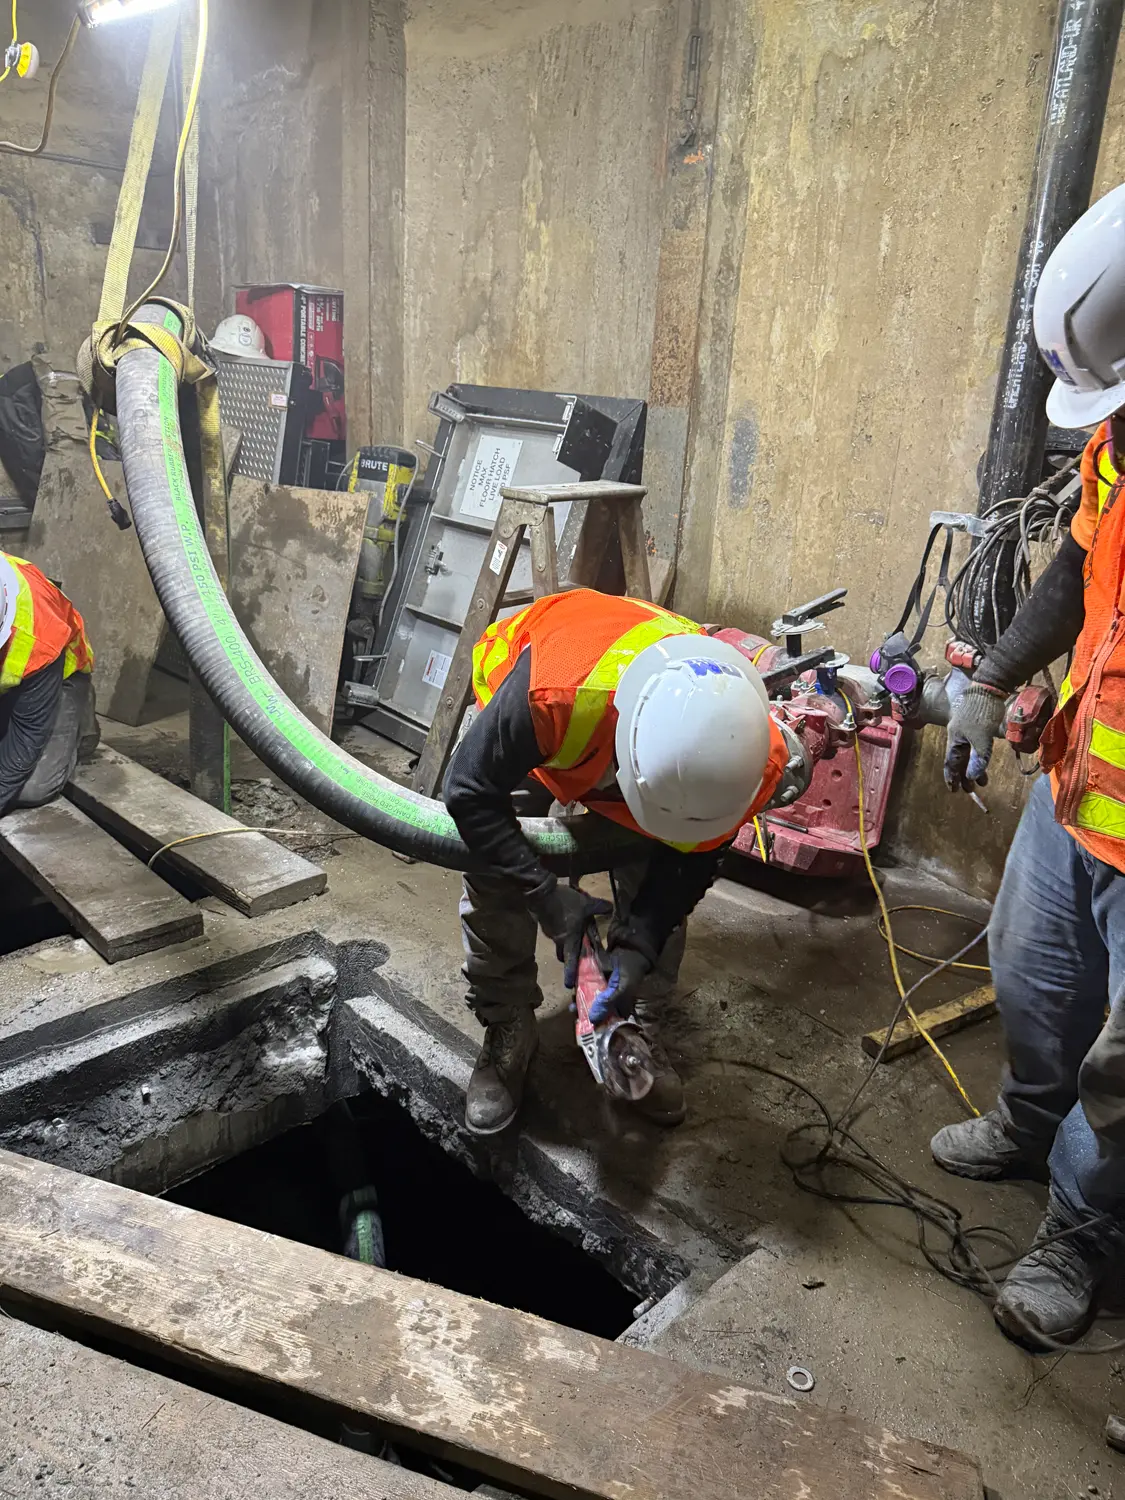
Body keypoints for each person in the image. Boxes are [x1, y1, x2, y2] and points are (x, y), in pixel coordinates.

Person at [933, 181, 1125, 1349]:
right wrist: (998, 678)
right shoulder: (1117, 448)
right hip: (1079, 789)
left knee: (1124, 1071)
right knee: (1034, 973)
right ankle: (1026, 1124)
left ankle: (1082, 1232)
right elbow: (1077, 572)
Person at [443, 586, 790, 1136]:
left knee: (654, 868)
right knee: (495, 869)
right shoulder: (553, 694)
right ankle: (507, 1023)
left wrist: (639, 945)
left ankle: (639, 1017)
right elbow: (467, 791)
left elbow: (690, 863)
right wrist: (544, 895)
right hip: (537, 717)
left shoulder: (748, 758)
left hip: (630, 747)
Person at [0, 551, 97, 815]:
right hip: (12, 679)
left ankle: (79, 715)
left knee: (33, 787)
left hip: (56, 674)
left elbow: (27, 733)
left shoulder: (37, 633)